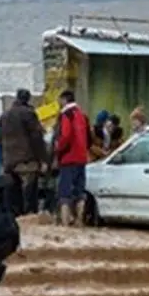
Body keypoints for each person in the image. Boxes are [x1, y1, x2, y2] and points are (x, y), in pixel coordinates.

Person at [0, 88, 47, 216]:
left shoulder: (4, 115)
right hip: (26, 160)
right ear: (28, 99)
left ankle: (14, 218)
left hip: (9, 160)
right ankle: (29, 218)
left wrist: (2, 160)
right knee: (30, 192)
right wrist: (43, 159)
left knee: (13, 193)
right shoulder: (29, 113)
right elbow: (36, 138)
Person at [53, 90, 90, 226]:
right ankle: (80, 221)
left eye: (59, 100)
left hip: (68, 159)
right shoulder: (83, 115)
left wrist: (58, 148)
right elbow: (89, 138)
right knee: (80, 192)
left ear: (64, 100)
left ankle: (65, 224)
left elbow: (65, 136)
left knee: (65, 193)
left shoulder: (66, 115)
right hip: (82, 158)